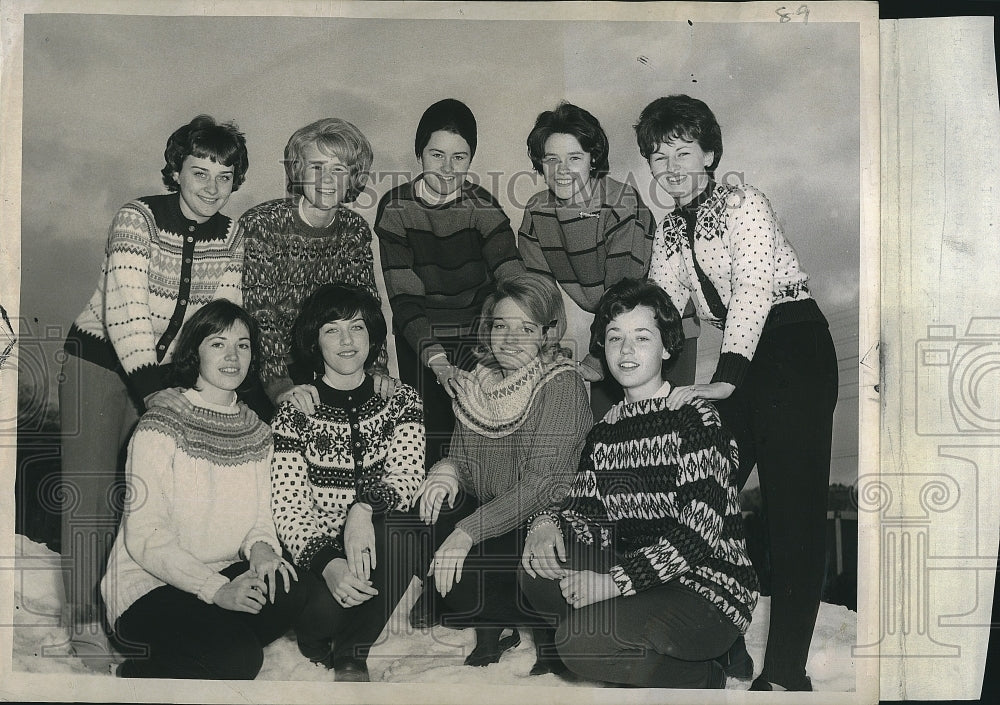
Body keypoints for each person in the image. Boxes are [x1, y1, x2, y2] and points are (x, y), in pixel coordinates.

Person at [637, 94, 839, 691]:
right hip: (740, 358)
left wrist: (725, 377)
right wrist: (617, 354)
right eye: (657, 154)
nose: (670, 165)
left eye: (682, 150)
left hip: (793, 345)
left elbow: (753, 290)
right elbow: (663, 308)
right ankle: (720, 640)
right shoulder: (672, 230)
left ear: (709, 153)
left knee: (792, 510)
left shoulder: (745, 202)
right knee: (704, 496)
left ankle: (784, 671)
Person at [59, 115, 249, 665]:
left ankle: (134, 608)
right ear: (176, 170)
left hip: (165, 379)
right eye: (199, 172)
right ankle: (83, 621)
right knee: (89, 494)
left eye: (224, 175)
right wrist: (157, 397)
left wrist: (195, 393)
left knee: (149, 496)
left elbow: (219, 321)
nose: (211, 187)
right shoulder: (136, 218)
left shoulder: (231, 235)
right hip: (100, 360)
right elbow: (126, 314)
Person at [519, 278, 759, 689]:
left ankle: (704, 674)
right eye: (615, 338)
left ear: (666, 347)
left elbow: (697, 537)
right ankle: (628, 642)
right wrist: (544, 524)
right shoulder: (605, 432)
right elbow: (582, 514)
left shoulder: (695, 420)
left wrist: (613, 582)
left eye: (641, 337)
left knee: (578, 644)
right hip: (643, 581)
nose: (626, 351)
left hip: (707, 589)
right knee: (536, 573)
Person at [101, 299, 306, 679]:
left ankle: (205, 643)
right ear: (195, 352)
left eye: (243, 345)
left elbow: (262, 519)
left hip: (220, 577)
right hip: (150, 585)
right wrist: (216, 590)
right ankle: (142, 671)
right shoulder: (160, 423)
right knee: (241, 661)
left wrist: (262, 548)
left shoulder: (258, 431)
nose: (233, 356)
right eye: (218, 344)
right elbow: (146, 539)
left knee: (292, 586)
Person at [412, 272, 592, 668]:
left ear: (548, 333)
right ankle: (495, 625)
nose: (509, 340)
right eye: (500, 326)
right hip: (498, 514)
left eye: (525, 328)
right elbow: (461, 458)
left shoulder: (560, 385)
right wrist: (446, 472)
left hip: (547, 517)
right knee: (427, 508)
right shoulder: (480, 380)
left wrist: (466, 532)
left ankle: (548, 633)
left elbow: (542, 485)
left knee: (507, 557)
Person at [269, 283, 425, 682]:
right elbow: (288, 506)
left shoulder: (402, 400)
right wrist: (329, 564)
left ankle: (353, 655)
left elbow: (408, 475)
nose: (346, 341)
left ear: (372, 335)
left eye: (356, 327)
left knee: (407, 528)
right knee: (319, 613)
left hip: (377, 545)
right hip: (319, 558)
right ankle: (322, 635)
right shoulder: (294, 413)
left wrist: (363, 508)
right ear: (314, 341)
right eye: (331, 330)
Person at [374, 98, 524, 473]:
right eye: (436, 154)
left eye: (459, 157)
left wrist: (524, 331)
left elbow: (513, 279)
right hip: (421, 339)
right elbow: (404, 300)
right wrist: (438, 364)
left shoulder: (483, 206)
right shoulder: (397, 209)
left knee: (483, 448)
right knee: (433, 447)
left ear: (471, 158)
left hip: (478, 339)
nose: (446, 168)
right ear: (419, 154)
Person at [518, 102, 682, 420]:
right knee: (605, 436)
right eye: (551, 160)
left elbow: (624, 292)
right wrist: (547, 352)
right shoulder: (537, 211)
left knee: (657, 428)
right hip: (610, 331)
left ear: (593, 158)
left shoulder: (621, 204)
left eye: (574, 158)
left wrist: (594, 359)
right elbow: (538, 295)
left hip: (659, 325)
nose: (562, 170)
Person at [240, 118, 394, 421]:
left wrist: (377, 370)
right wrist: (281, 388)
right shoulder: (262, 225)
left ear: (352, 178)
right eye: (316, 167)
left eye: (338, 169)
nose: (327, 179)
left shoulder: (354, 231)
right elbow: (260, 316)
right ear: (298, 171)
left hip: (323, 365)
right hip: (259, 369)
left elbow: (366, 310)